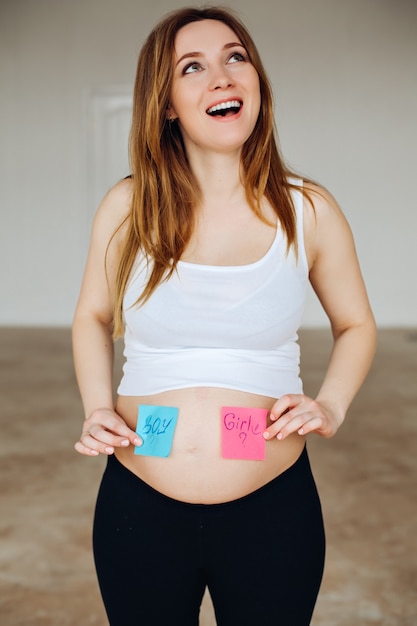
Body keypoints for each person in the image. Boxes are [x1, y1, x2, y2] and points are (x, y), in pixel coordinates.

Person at [72, 6, 376, 626]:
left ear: (257, 82)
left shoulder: (307, 209)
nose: (222, 76)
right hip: (140, 507)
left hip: (272, 509)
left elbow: (356, 325)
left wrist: (333, 405)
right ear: (165, 103)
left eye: (236, 57)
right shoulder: (128, 206)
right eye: (194, 66)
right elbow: (93, 317)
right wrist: (98, 406)